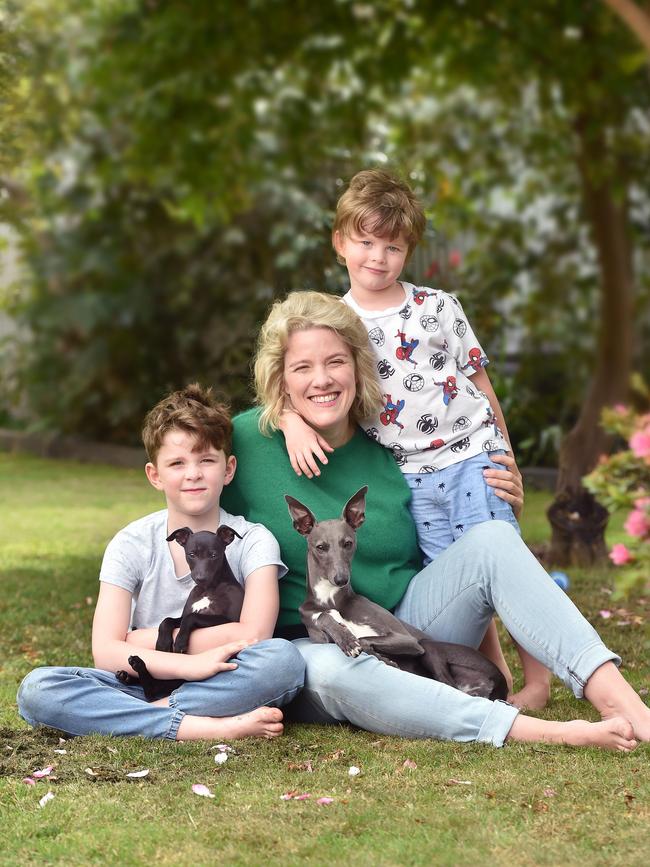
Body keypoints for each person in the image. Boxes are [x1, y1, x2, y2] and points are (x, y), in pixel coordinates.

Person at [222, 290, 650, 750]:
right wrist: (284, 417)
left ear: (358, 366)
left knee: (490, 538)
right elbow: (184, 491)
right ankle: (550, 733)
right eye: (301, 367)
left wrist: (506, 489)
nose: (322, 380)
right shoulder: (246, 440)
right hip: (311, 643)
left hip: (407, 629)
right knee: (331, 668)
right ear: (280, 378)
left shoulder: (390, 448)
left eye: (336, 362)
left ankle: (621, 702)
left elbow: (453, 550)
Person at [280, 169, 550, 709]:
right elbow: (298, 377)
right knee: (456, 570)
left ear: (408, 251)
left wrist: (508, 458)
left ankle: (538, 681)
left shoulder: (439, 306)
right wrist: (290, 421)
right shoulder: (336, 322)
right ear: (340, 243)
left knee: (505, 560)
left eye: (393, 246)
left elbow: (479, 382)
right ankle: (492, 674)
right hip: (410, 473)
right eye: (365, 241)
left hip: (473, 456)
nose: (377, 257)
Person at [17, 384, 305, 741]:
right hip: (139, 681)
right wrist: (189, 663)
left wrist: (143, 640)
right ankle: (199, 727)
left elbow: (253, 635)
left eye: (206, 460)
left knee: (283, 660)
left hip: (222, 678)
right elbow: (106, 653)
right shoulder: (131, 543)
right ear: (155, 475)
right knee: (37, 688)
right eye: (177, 463)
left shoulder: (253, 540)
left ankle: (147, 718)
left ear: (228, 469)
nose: (193, 474)